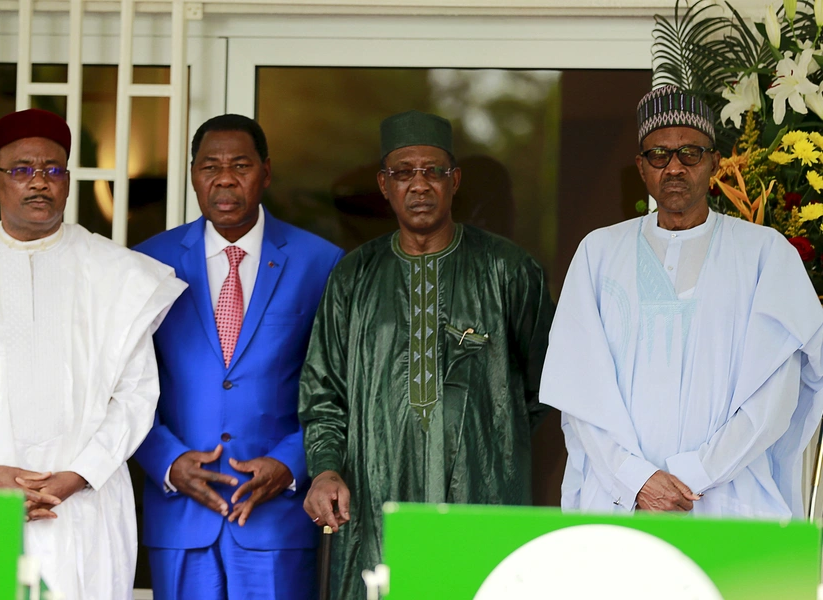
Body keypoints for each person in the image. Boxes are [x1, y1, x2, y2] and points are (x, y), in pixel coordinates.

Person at [0, 108, 186, 599]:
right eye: (22, 170)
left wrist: (77, 475)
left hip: (79, 500)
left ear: (68, 182)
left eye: (53, 169)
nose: (38, 182)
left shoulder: (118, 275)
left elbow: (135, 396)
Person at [299, 110, 555, 599]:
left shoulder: (509, 270)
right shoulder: (353, 278)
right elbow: (323, 391)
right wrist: (328, 467)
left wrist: (490, 447)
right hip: (375, 495)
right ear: (384, 184)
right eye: (403, 172)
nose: (419, 184)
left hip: (483, 497)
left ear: (454, 181)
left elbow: (545, 388)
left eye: (432, 171)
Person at [540, 86, 823, 517]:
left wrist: (693, 475)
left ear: (713, 162)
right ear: (641, 167)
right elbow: (579, 394)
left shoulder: (766, 254)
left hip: (729, 501)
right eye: (659, 154)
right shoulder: (598, 254)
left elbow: (775, 396)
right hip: (620, 501)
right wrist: (637, 480)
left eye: (690, 153)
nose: (674, 167)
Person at [133, 114, 344, 600]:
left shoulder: (320, 262)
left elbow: (340, 385)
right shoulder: (146, 264)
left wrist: (292, 464)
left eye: (240, 165)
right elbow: (120, 385)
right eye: (210, 166)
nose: (225, 178)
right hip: (181, 515)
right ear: (192, 175)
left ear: (266, 173)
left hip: (277, 520)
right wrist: (166, 462)